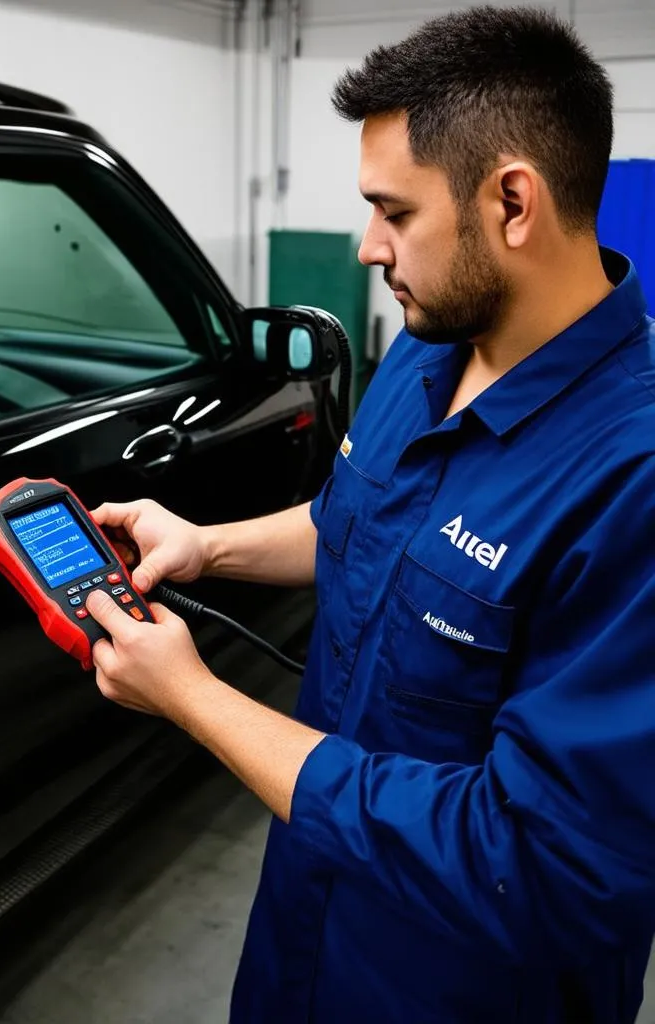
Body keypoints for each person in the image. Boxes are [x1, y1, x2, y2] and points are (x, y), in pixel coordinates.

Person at [81, 5, 655, 1023]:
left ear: (510, 203)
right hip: (304, 933)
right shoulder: (425, 351)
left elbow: (539, 865)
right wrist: (206, 546)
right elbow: (357, 524)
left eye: (393, 212)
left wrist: (195, 699)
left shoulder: (632, 477)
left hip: (458, 990)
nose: (365, 247)